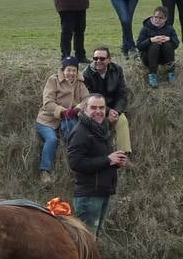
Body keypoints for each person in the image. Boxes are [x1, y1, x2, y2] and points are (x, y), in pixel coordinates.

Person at [67, 94, 128, 235]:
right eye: (93, 107)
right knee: (87, 241)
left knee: (94, 239)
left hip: (103, 192)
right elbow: (76, 163)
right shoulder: (80, 132)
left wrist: (116, 162)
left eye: (101, 108)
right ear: (85, 109)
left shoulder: (102, 128)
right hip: (89, 196)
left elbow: (102, 159)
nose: (98, 111)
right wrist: (107, 160)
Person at [34, 56, 88, 186]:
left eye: (74, 70)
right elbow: (48, 102)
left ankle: (75, 168)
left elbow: (87, 99)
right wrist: (62, 111)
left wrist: (77, 108)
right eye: (68, 70)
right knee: (52, 139)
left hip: (70, 117)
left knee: (74, 136)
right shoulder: (53, 80)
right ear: (63, 70)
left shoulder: (80, 83)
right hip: (48, 119)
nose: (71, 73)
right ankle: (45, 171)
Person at [82, 46, 132, 154]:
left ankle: (123, 155)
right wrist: (107, 111)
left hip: (114, 108)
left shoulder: (117, 70)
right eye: (95, 58)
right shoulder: (86, 74)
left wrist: (116, 111)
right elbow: (89, 97)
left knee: (122, 120)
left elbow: (122, 94)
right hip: (96, 109)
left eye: (102, 58)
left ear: (109, 60)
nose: (98, 61)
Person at [136, 6, 181, 88]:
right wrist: (150, 40)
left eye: (161, 18)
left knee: (168, 44)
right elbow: (139, 46)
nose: (157, 20)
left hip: (164, 58)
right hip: (148, 58)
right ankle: (152, 75)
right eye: (156, 17)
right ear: (153, 16)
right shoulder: (146, 28)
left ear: (165, 19)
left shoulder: (169, 28)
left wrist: (169, 39)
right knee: (155, 45)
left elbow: (176, 44)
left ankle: (171, 73)